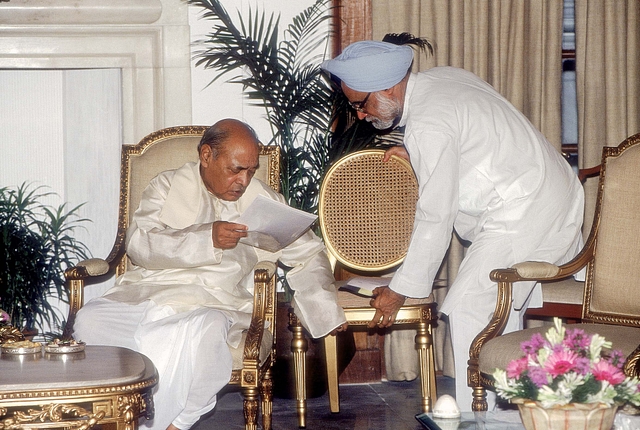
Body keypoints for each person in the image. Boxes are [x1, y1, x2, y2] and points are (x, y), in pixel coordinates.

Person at [321, 41, 584, 411]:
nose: (361, 116)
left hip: (524, 206)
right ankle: (505, 414)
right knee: (496, 311)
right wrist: (415, 153)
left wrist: (401, 290)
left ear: (389, 87)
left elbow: (435, 216)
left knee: (470, 307)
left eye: (361, 104)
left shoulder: (428, 125)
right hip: (551, 189)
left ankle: (473, 417)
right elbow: (471, 130)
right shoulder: (443, 78)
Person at [74, 119, 348, 430]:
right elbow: (139, 244)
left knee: (210, 330)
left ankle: (176, 422)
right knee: (90, 320)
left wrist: (325, 311)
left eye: (251, 170)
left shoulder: (263, 200)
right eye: (236, 169)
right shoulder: (166, 186)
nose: (243, 181)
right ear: (207, 156)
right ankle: (114, 417)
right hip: (149, 292)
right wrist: (206, 238)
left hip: (213, 302)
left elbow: (308, 253)